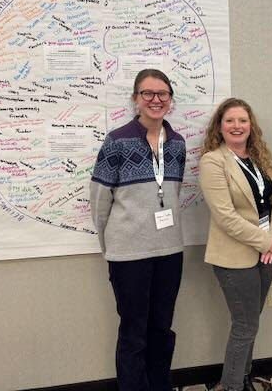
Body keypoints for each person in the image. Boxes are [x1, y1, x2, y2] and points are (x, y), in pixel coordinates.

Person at [90, 68, 185, 391]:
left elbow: (174, 192)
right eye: (148, 93)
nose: (155, 100)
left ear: (170, 101)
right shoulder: (116, 141)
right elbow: (100, 201)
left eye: (163, 94)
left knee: (162, 328)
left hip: (170, 252)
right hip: (128, 255)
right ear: (136, 99)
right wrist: (111, 247)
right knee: (133, 332)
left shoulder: (178, 144)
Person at [199, 98, 272, 391]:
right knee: (245, 326)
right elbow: (225, 217)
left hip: (266, 253)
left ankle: (243, 376)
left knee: (252, 324)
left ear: (251, 126)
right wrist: (268, 241)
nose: (237, 126)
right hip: (234, 257)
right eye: (230, 121)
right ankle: (233, 385)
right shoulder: (213, 161)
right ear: (219, 127)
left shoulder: (259, 155)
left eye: (242, 121)